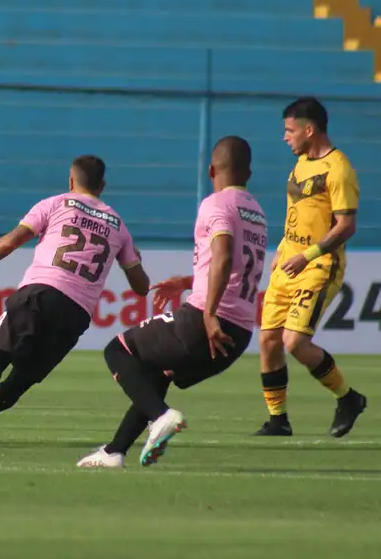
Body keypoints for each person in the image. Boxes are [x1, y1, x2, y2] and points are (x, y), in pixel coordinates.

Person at [77, 136, 267, 469]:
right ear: (249, 173)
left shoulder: (216, 203)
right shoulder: (257, 213)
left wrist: (209, 314)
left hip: (206, 321)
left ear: (211, 170)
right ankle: (115, 451)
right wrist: (189, 282)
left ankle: (161, 416)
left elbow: (224, 258)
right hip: (239, 334)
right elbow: (236, 267)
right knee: (157, 371)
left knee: (118, 350)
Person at [0, 155, 149, 443]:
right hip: (76, 314)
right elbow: (141, 287)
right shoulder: (118, 225)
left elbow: (11, 241)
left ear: (71, 180)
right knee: (18, 384)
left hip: (40, 292)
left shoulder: (55, 204)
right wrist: (135, 260)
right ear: (102, 185)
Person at [256, 98, 366, 437]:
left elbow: (346, 225)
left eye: (289, 130)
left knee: (294, 342)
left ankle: (348, 398)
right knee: (269, 340)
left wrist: (307, 255)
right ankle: (278, 420)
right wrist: (281, 249)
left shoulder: (339, 169)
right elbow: (298, 213)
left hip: (319, 265)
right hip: (288, 263)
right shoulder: (301, 163)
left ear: (309, 130)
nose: (285, 137)